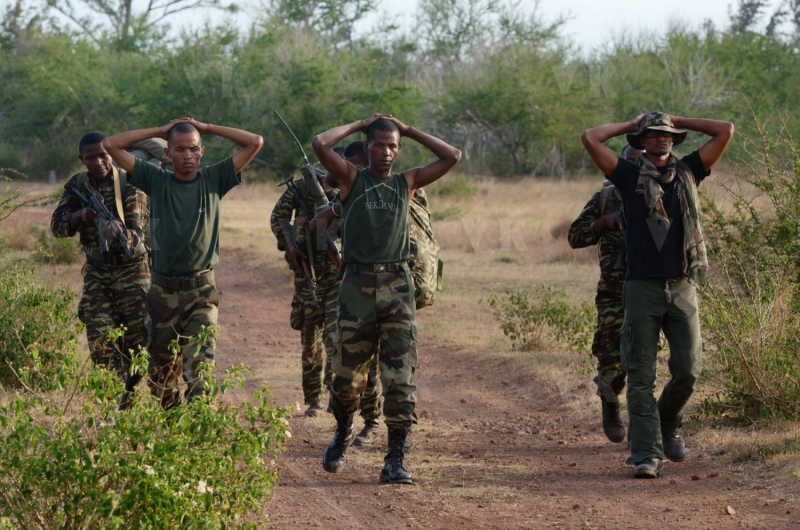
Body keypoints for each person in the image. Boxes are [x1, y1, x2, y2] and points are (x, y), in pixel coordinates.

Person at [581, 111, 734, 478]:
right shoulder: (627, 175)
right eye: (652, 134)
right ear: (642, 140)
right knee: (640, 374)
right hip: (641, 287)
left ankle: (668, 423)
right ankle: (646, 455)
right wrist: (629, 124)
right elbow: (590, 137)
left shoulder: (689, 171)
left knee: (689, 370)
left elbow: (725, 130)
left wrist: (680, 118)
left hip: (682, 284)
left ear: (674, 139)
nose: (661, 138)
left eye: (667, 134)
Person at [312, 114, 461, 484]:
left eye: (393, 145)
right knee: (347, 378)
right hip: (356, 286)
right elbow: (320, 143)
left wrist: (410, 129)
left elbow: (452, 155)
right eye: (379, 144)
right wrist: (360, 123)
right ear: (368, 147)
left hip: (397, 286)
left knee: (401, 377)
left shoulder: (406, 182)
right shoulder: (351, 178)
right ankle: (343, 430)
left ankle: (394, 458)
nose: (386, 151)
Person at [103, 118, 263, 409]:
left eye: (193, 149)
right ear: (168, 154)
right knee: (161, 378)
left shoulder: (214, 179)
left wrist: (209, 127)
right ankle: (175, 427)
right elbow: (111, 145)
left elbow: (255, 142)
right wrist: (159, 131)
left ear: (201, 152)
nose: (187, 155)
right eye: (179, 149)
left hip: (202, 293)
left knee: (199, 372)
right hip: (162, 293)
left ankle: (197, 431)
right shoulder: (156, 180)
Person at [51, 131, 150, 408]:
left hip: (134, 270)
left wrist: (120, 233)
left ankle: (127, 397)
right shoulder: (78, 184)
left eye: (103, 155)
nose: (98, 162)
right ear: (81, 159)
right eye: (90, 157)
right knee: (100, 339)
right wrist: (81, 216)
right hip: (97, 270)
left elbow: (140, 234)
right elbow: (57, 227)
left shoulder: (130, 181)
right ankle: (110, 405)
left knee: (137, 343)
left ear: (112, 155)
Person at [567, 145, 641, 443]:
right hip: (614, 292)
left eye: (642, 162)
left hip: (650, 290)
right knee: (611, 358)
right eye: (631, 163)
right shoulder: (607, 197)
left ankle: (642, 426)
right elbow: (575, 236)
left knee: (643, 358)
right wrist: (603, 222)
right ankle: (610, 403)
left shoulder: (662, 195)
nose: (637, 169)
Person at [270, 162, 342, 418]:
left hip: (337, 276)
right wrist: (290, 245)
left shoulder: (348, 187)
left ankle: (336, 395)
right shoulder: (301, 188)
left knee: (336, 338)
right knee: (310, 340)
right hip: (307, 274)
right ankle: (313, 399)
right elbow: (278, 216)